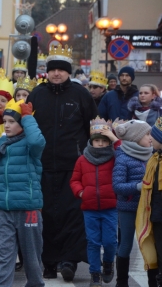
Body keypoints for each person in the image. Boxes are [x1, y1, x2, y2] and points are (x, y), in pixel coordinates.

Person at [26, 44, 98, 281]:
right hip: (42, 165)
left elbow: (93, 127)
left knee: (72, 214)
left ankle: (69, 260)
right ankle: (48, 262)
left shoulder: (81, 95)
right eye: (52, 69)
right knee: (44, 214)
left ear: (69, 71)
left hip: (73, 166)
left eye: (61, 69)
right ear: (46, 71)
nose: (56, 73)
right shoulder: (37, 94)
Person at [0, 99, 45, 287]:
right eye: (5, 122)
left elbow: (37, 140)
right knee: (3, 255)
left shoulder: (31, 145)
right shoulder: (1, 143)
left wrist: (28, 117)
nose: (8, 125)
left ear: (22, 123)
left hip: (28, 209)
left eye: (12, 121)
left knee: (31, 257)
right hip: (4, 210)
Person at [70, 117, 118, 287]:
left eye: (103, 141)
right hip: (89, 208)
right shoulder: (83, 159)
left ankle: (108, 264)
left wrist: (113, 137)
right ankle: (95, 273)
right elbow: (75, 180)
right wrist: (81, 192)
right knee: (93, 241)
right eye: (96, 140)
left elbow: (123, 150)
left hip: (110, 207)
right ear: (91, 141)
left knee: (111, 241)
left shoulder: (114, 157)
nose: (99, 144)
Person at [113, 119, 153, 287]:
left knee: (150, 245)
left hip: (148, 208)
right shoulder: (123, 158)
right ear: (136, 137)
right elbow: (117, 186)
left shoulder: (152, 155)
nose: (151, 138)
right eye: (147, 134)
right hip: (128, 208)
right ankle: (121, 282)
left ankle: (153, 280)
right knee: (126, 245)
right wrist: (138, 187)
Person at [136, 116, 162, 287]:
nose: (150, 138)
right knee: (157, 253)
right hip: (155, 216)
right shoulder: (154, 159)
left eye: (155, 135)